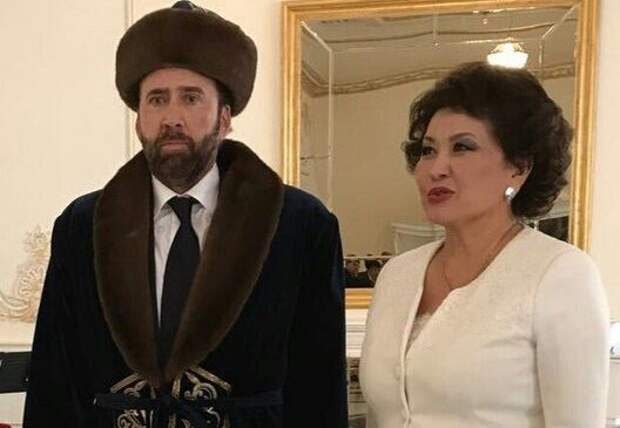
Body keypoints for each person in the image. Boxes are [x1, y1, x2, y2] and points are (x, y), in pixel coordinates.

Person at [23, 2, 348, 427]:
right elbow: (54, 381)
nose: (172, 118)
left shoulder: (299, 225)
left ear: (224, 118)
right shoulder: (82, 226)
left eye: (191, 98)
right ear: (139, 120)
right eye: (157, 100)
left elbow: (319, 386)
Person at [359, 62, 609, 427]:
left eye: (462, 147)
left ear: (519, 167)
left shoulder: (560, 274)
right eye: (428, 150)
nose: (436, 168)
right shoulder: (397, 274)